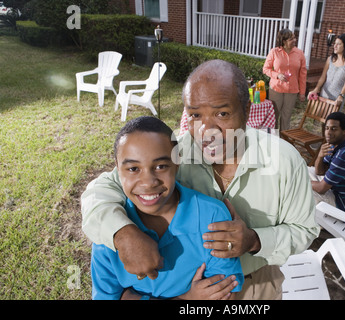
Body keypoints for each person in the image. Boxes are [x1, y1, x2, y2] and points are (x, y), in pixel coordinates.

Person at [81, 59, 319, 300]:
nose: (207, 130)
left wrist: (254, 240)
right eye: (195, 115)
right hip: (184, 285)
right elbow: (99, 191)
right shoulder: (173, 155)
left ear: (246, 111)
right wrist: (122, 233)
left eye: (222, 113)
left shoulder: (284, 161)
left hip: (257, 284)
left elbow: (305, 230)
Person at [91, 116, 244, 300]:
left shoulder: (212, 216)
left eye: (161, 166)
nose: (148, 183)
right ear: (117, 168)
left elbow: (226, 296)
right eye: (133, 169)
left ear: (177, 163)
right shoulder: (109, 230)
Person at [309, 112, 345, 216]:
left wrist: (303, 181)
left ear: (344, 131)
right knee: (304, 170)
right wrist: (320, 156)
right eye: (327, 128)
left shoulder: (343, 155)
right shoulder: (336, 144)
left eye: (334, 129)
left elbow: (321, 188)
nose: (328, 132)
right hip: (338, 191)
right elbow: (319, 171)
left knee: (300, 189)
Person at [263, 28, 307, 131]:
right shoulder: (274, 52)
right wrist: (277, 75)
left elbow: (303, 74)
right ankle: (272, 140)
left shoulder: (299, 53)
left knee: (286, 117)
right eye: (291, 39)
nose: (294, 40)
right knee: (273, 117)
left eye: (294, 37)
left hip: (292, 90)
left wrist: (302, 93)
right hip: (276, 89)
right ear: (284, 41)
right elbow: (266, 69)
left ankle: (284, 141)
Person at [308, 34, 345, 109]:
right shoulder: (330, 59)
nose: (335, 46)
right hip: (324, 94)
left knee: (331, 120)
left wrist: (341, 95)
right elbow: (323, 77)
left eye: (338, 44)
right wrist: (316, 89)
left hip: (337, 98)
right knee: (319, 117)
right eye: (335, 43)